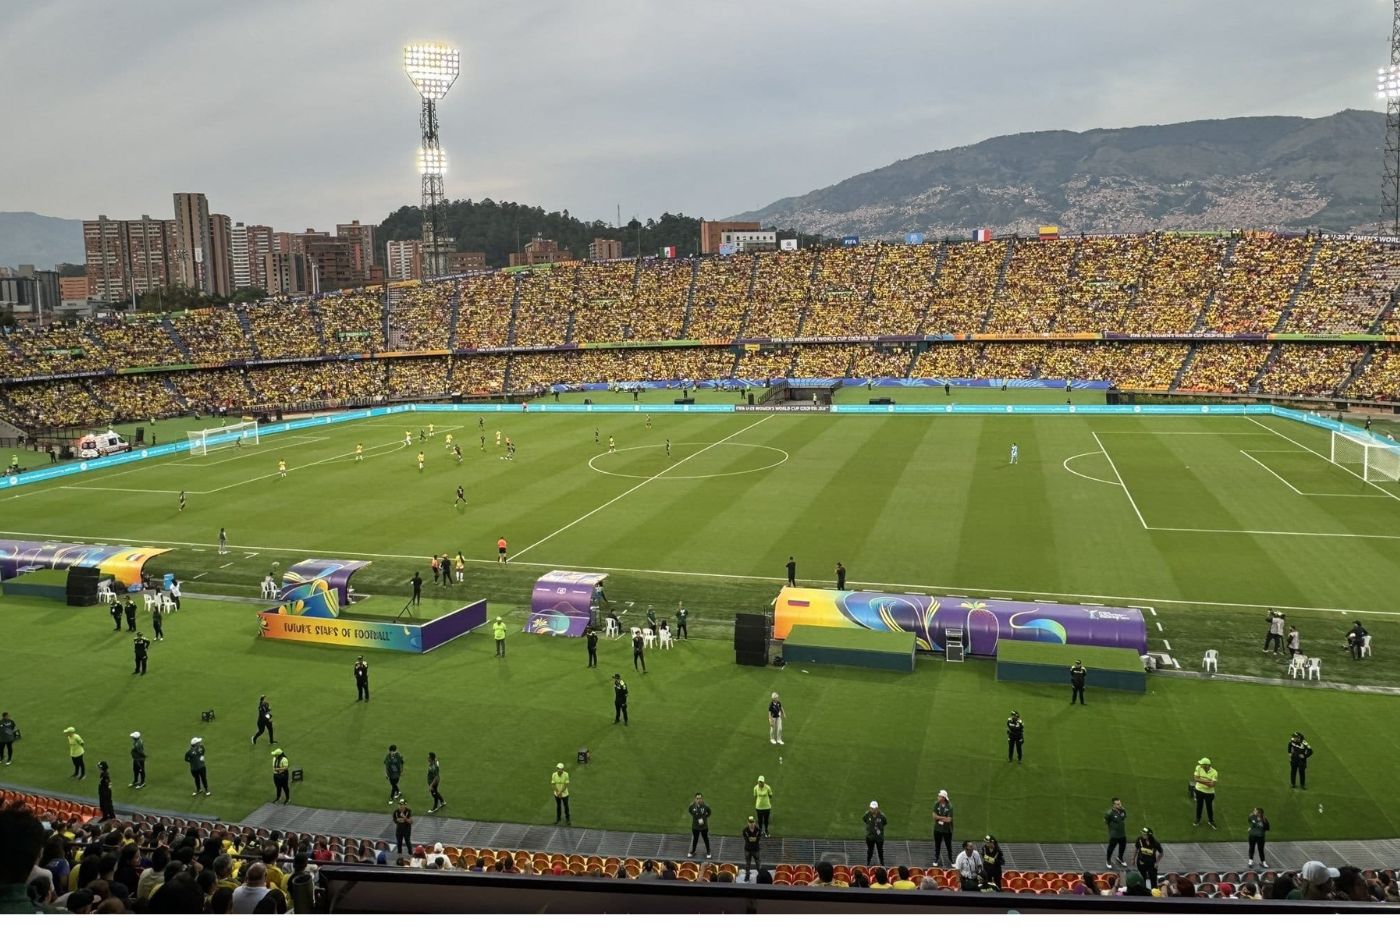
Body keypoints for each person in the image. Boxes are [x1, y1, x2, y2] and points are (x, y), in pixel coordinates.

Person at [1192, 757, 1218, 828]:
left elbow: (1212, 785)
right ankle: (1198, 819)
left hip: (1209, 793)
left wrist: (1200, 780)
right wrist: (1207, 781)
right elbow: (1195, 779)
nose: (1200, 765)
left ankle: (1211, 820)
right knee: (1199, 805)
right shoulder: (1198, 768)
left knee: (1209, 807)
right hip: (1199, 791)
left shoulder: (1214, 772)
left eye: (1202, 764)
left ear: (1206, 765)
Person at [932, 789, 954, 866]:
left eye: (939, 796)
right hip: (937, 829)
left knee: (948, 846)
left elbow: (949, 820)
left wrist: (939, 817)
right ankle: (936, 859)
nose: (938, 797)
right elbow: (934, 816)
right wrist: (943, 817)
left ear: (943, 798)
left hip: (947, 830)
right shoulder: (936, 804)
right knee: (937, 845)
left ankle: (951, 860)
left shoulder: (950, 806)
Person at [1104, 797, 1127, 868]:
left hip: (1122, 833)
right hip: (1114, 834)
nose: (1120, 805)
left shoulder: (1123, 810)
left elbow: (1123, 818)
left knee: (1123, 846)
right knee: (1111, 848)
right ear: (1113, 805)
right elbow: (1105, 821)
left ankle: (1120, 858)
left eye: (1120, 803)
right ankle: (1108, 860)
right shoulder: (1109, 813)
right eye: (1117, 804)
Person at [687, 794, 712, 858]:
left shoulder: (705, 806)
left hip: (704, 826)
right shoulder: (692, 806)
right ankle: (693, 851)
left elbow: (709, 812)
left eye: (700, 798)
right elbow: (690, 811)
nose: (698, 800)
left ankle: (708, 851)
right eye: (697, 798)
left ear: (702, 799)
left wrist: (704, 818)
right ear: (695, 799)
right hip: (695, 826)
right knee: (695, 839)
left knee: (705, 838)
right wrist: (695, 817)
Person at [863, 801, 887, 865]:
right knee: (870, 850)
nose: (873, 810)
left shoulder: (882, 816)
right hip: (870, 837)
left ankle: (882, 862)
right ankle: (868, 862)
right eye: (872, 808)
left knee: (880, 851)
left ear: (877, 808)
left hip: (879, 837)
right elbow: (864, 820)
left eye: (875, 808)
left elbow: (885, 822)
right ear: (870, 808)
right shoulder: (867, 815)